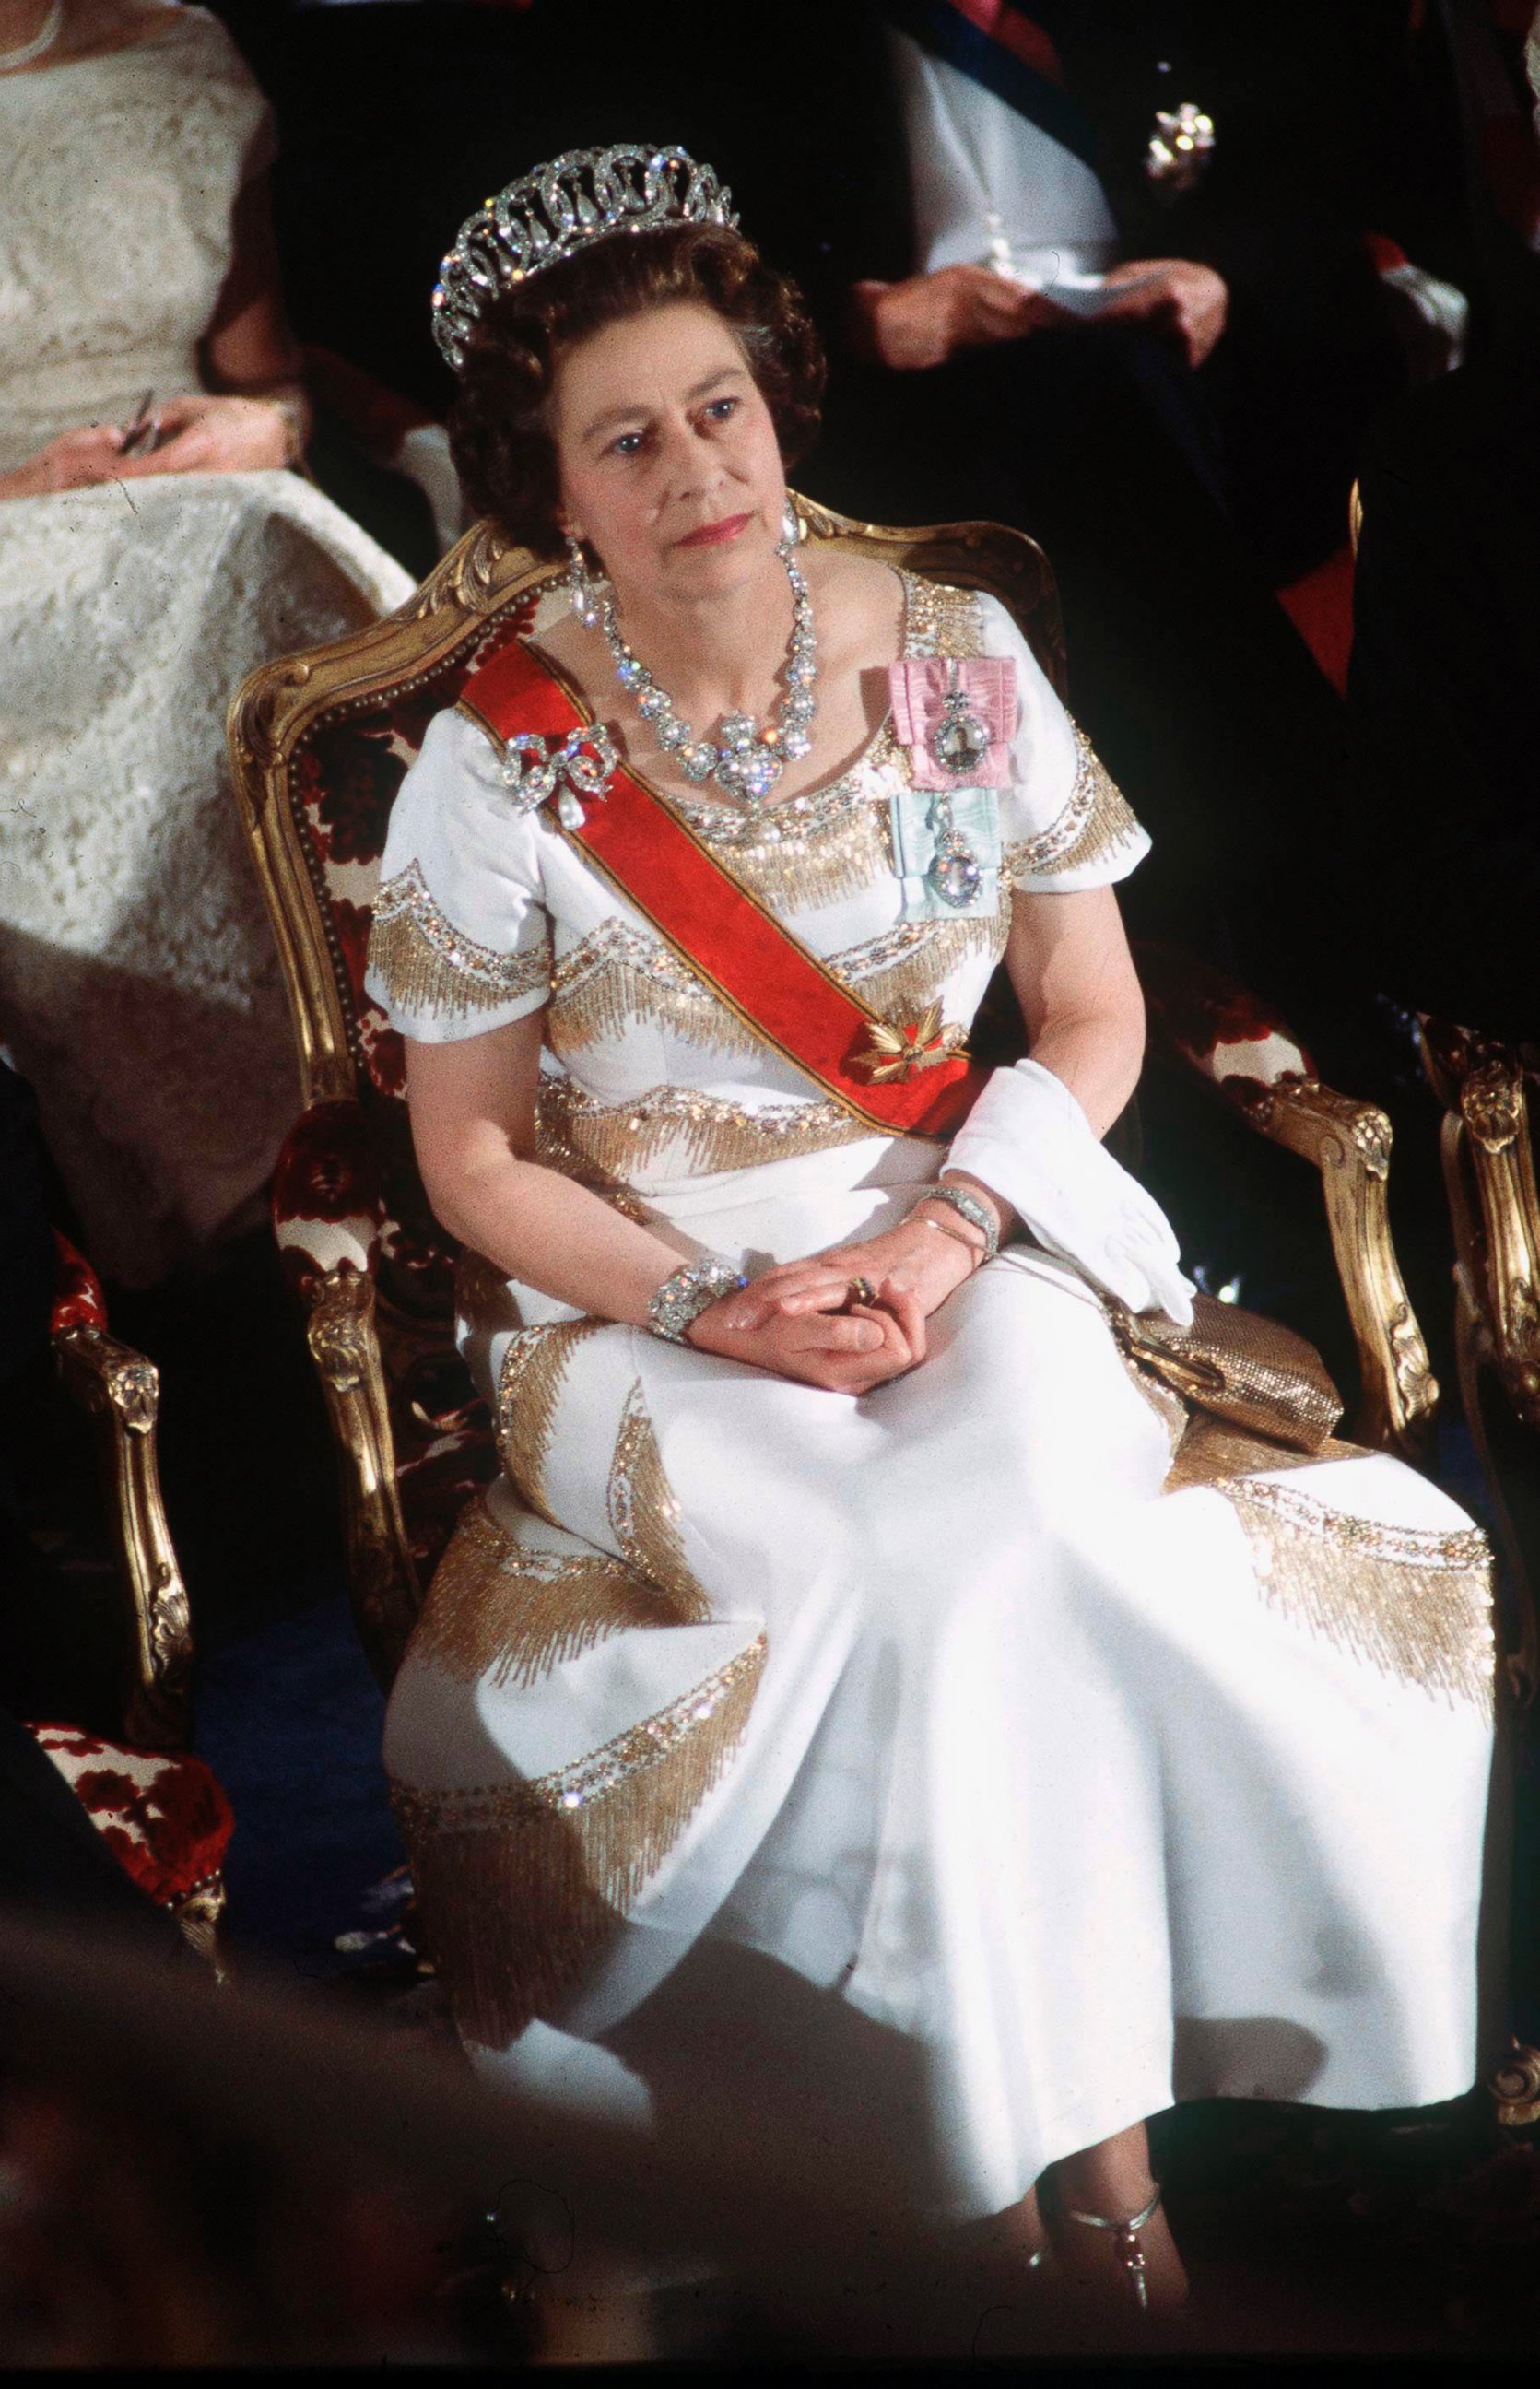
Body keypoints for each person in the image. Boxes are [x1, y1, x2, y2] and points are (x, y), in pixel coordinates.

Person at [364, 147, 1496, 2318]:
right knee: (881, 1568)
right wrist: (719, 1298)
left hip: (962, 1226)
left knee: (1015, 1539)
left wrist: (948, 1237)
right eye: (627, 438)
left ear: (779, 402)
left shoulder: (952, 660)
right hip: (649, 1297)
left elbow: (1084, 1017)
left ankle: (1067, 2202)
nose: (693, 465)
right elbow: (478, 1168)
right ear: (552, 495)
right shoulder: (490, 765)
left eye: (720, 406)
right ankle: (1055, 2220)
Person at [0, 0, 414, 1286]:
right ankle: (230, 1244)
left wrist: (263, 433)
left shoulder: (176, 45)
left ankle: (414, 1125)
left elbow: (270, 375)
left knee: (285, 558)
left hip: (207, 511)